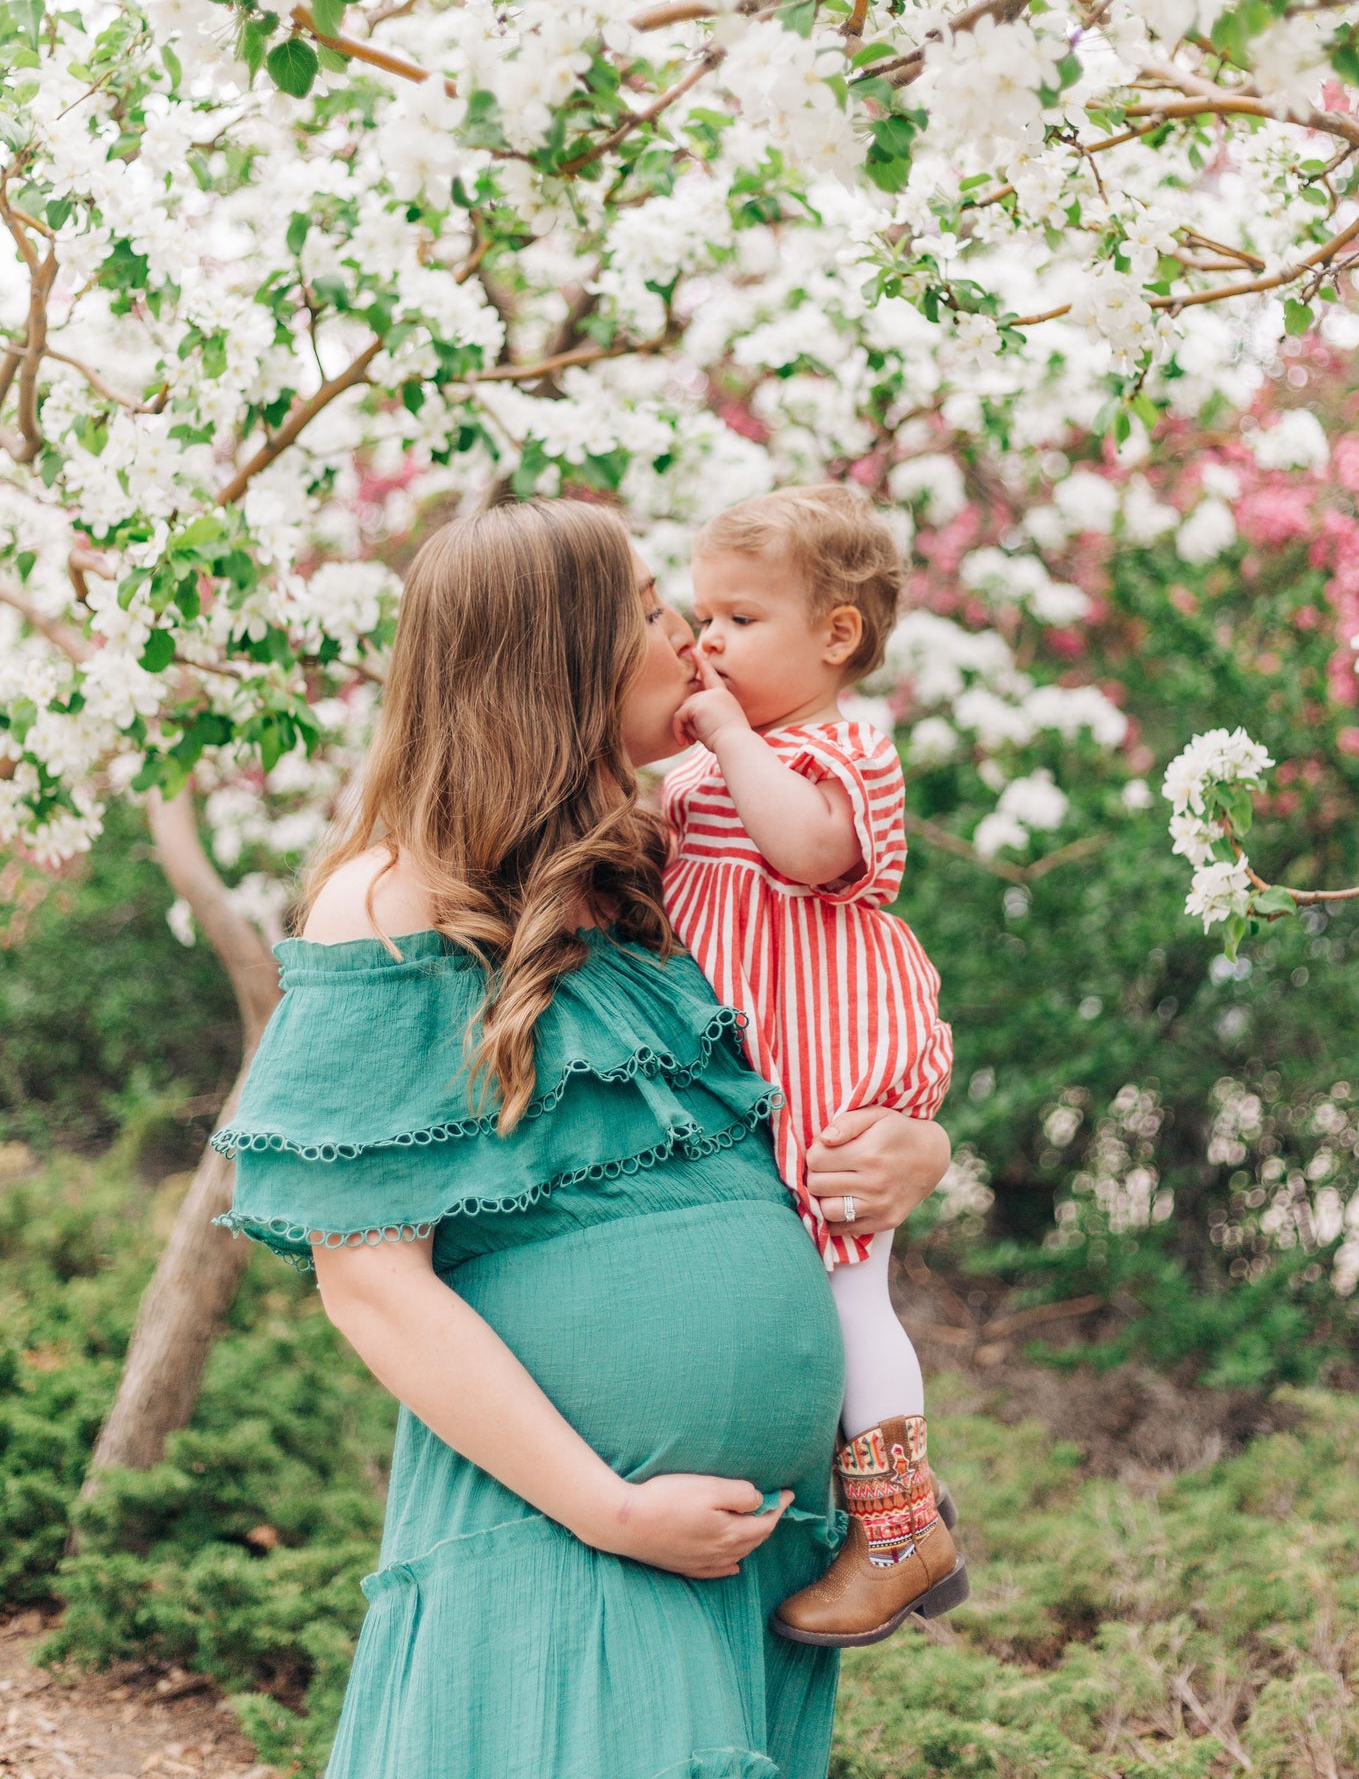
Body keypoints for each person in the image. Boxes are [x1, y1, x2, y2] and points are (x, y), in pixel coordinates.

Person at [210, 497, 951, 1779]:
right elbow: (370, 1279)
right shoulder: (391, 900)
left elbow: (845, 1012)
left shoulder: (666, 873)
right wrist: (608, 1505)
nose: (694, 645)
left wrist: (919, 1149)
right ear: (561, 656)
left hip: (735, 1543)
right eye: (660, 612)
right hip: (567, 1528)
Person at [664, 484, 964, 1648]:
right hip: (751, 1067)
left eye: (738, 618)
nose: (707, 642)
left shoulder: (842, 750)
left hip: (828, 1064)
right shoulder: (699, 771)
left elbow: (806, 853)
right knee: (798, 1294)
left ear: (835, 635)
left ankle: (899, 1526)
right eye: (700, 616)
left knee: (848, 1289)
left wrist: (730, 737)